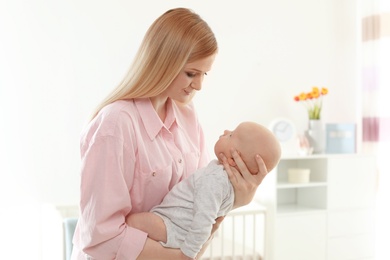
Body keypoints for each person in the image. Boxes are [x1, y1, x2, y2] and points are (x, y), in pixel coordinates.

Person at [71, 8, 270, 260]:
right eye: (191, 73)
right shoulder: (116, 124)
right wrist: (180, 257)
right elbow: (100, 237)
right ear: (164, 62)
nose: (199, 85)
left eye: (204, 74)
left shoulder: (187, 115)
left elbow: (197, 215)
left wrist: (238, 199)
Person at [126, 121, 281, 259]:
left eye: (231, 135)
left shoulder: (216, 179)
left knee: (133, 222)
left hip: (173, 226)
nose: (226, 131)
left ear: (234, 159)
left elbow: (204, 219)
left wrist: (187, 254)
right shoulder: (228, 185)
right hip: (178, 227)